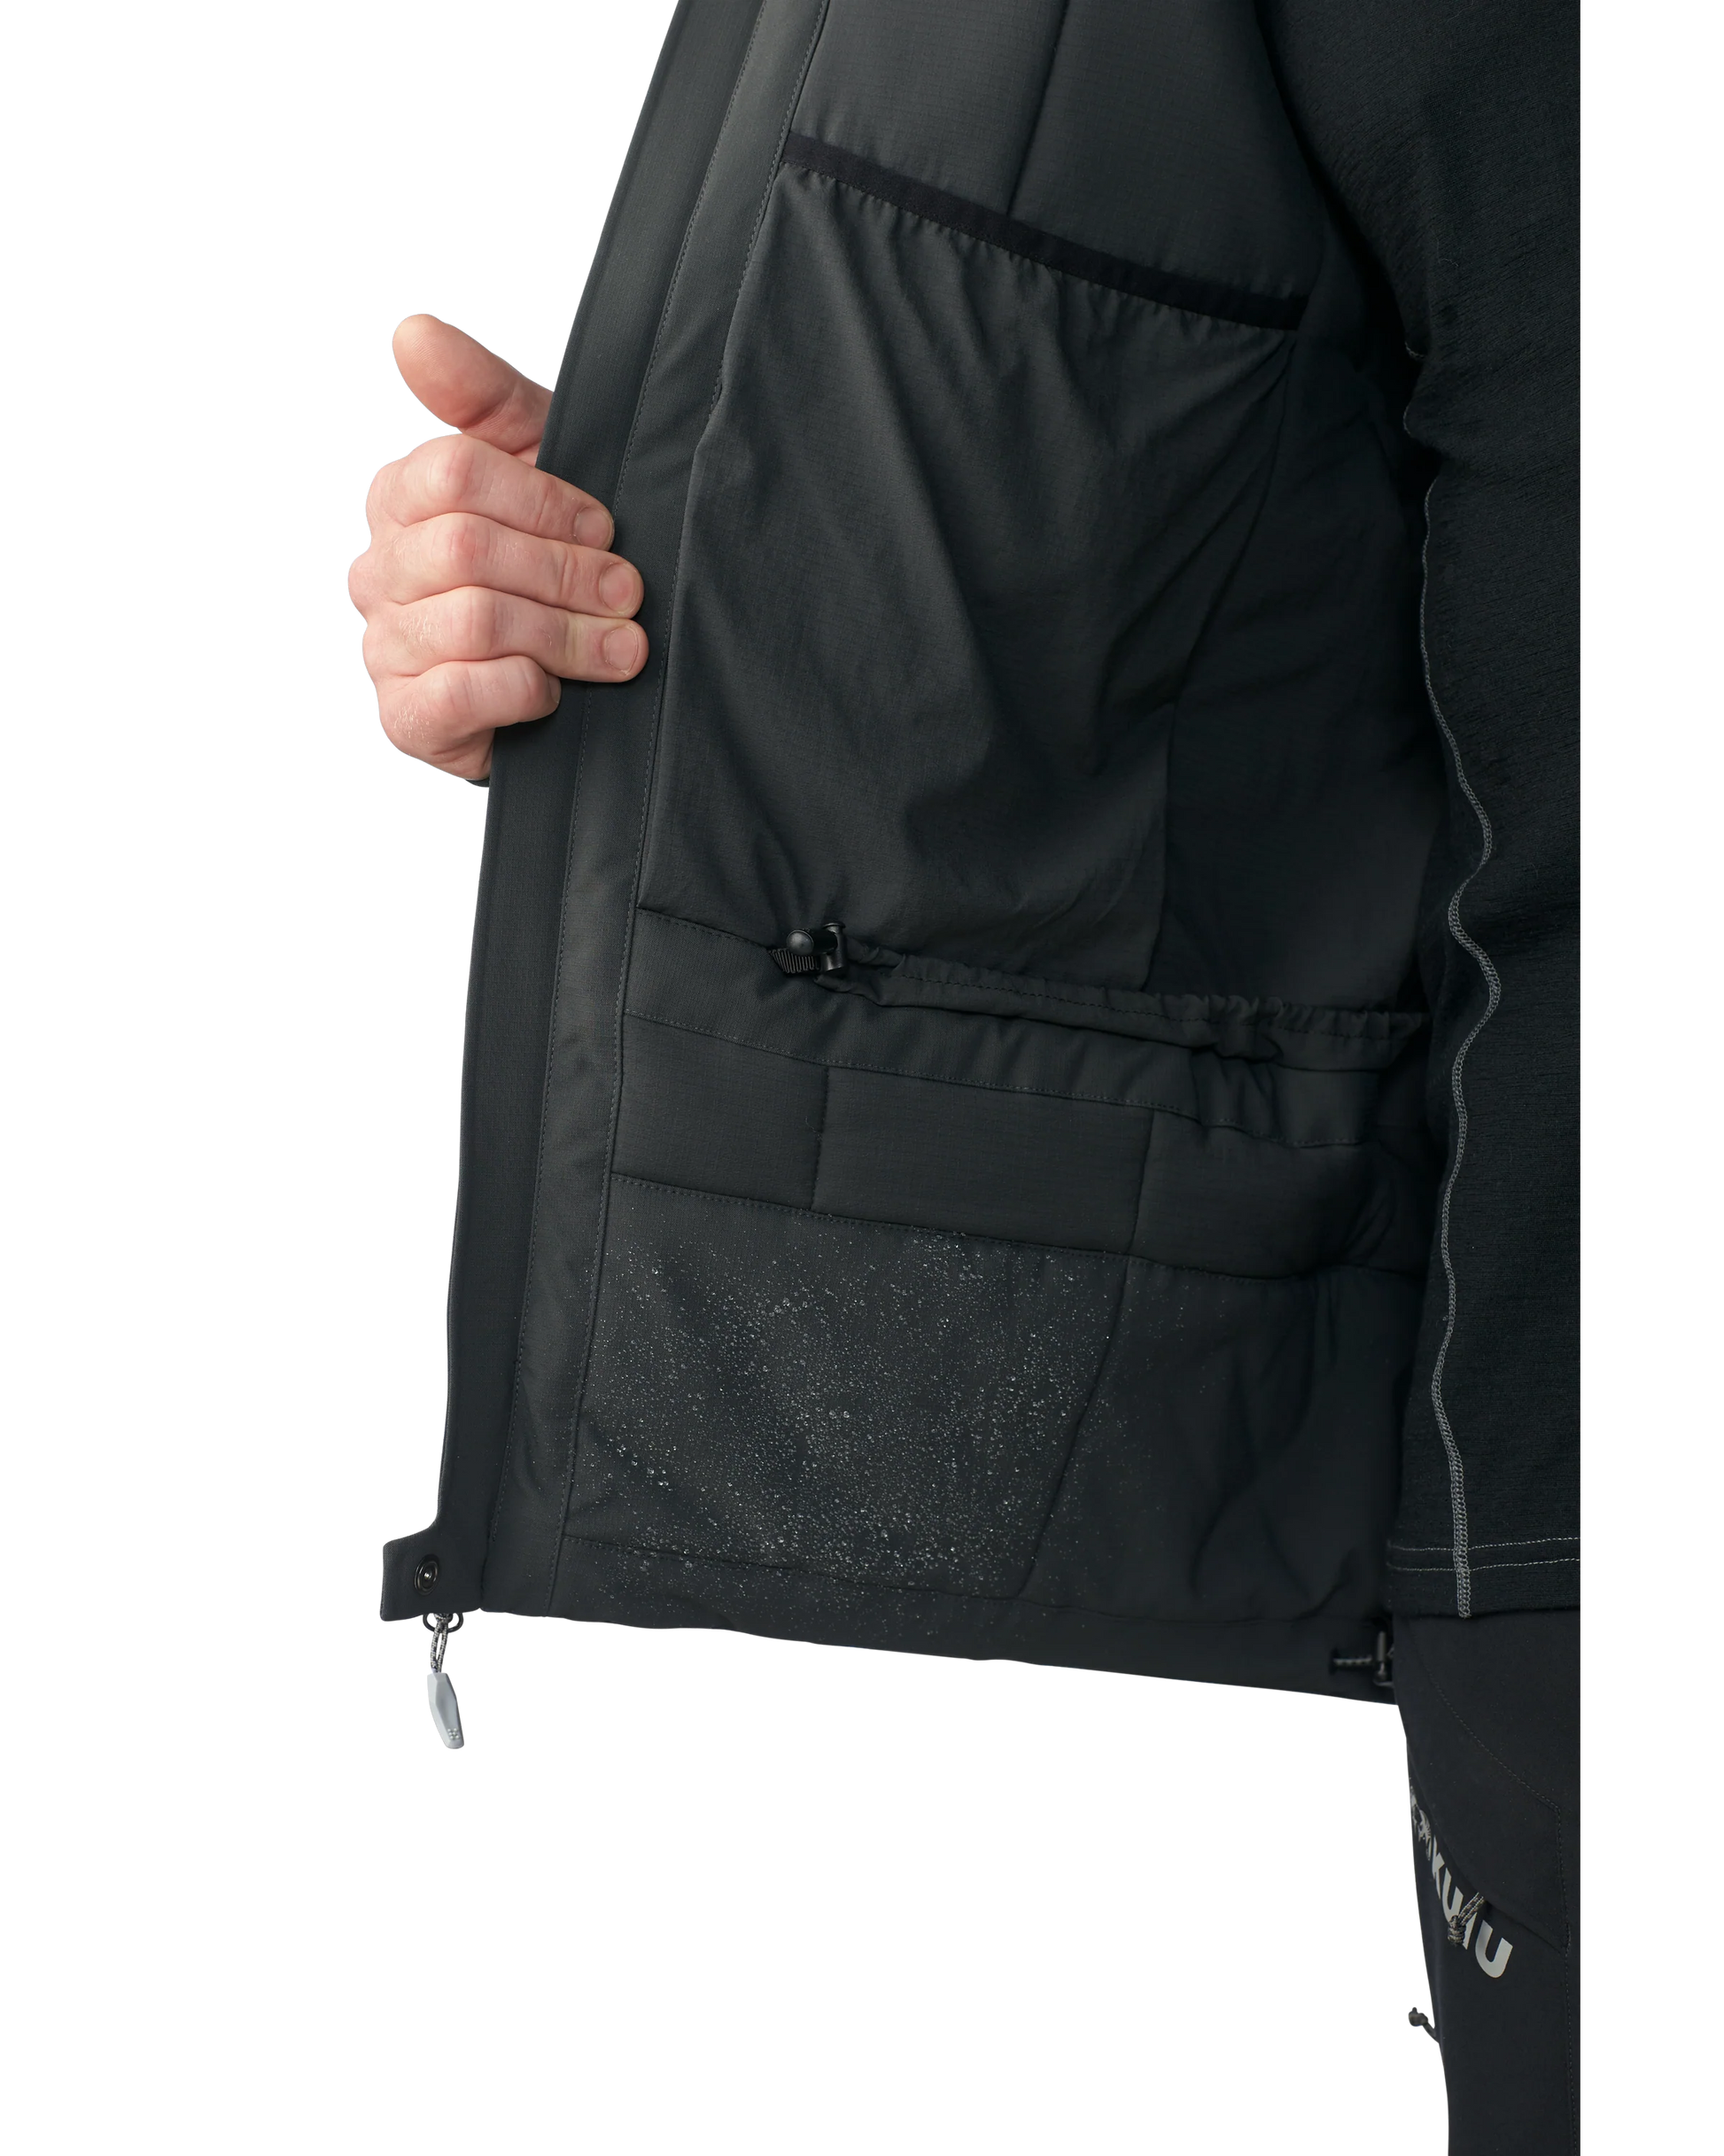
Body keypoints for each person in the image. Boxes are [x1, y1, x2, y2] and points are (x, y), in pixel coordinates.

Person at [348, 6, 1578, 2146]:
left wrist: (1527, 1643)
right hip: (725, 1541)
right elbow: (1221, 580)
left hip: (1263, 1643)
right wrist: (619, 603)